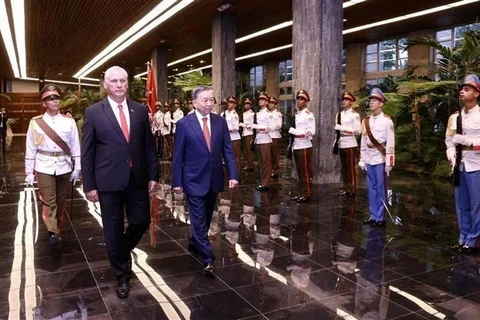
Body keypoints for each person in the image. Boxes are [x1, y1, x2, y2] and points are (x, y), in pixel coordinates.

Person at [81, 66, 159, 299]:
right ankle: (122, 275)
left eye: (122, 80)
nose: (118, 85)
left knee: (142, 220)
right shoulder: (93, 112)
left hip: (137, 179)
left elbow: (148, 146)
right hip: (108, 181)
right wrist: (89, 184)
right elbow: (88, 151)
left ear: (127, 83)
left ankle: (121, 250)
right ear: (105, 84)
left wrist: (154, 174)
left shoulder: (139, 110)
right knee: (112, 229)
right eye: (113, 81)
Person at [172, 85, 238, 276]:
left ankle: (195, 239)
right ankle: (208, 258)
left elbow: (228, 150)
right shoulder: (184, 124)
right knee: (198, 216)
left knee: (208, 215)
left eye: (212, 100)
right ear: (194, 103)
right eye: (205, 100)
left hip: (214, 178)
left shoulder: (220, 122)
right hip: (192, 179)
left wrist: (233, 175)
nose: (210, 104)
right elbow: (178, 156)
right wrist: (177, 181)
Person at [24, 84, 81, 246]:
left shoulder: (68, 122)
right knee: (49, 201)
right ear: (44, 103)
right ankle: (52, 232)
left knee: (60, 199)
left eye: (56, 97)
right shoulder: (36, 123)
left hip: (64, 165)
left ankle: (57, 226)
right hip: (44, 166)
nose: (54, 101)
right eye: (50, 98)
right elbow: (31, 146)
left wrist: (77, 167)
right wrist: (29, 171)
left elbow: (75, 144)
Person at [446, 74, 480, 254]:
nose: (462, 91)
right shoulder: (455, 117)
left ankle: (473, 241)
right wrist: (452, 156)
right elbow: (448, 141)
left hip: (476, 165)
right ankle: (463, 237)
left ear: (476, 93)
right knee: (461, 204)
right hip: (459, 164)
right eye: (461, 89)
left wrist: (466, 141)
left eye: (467, 89)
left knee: (477, 205)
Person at [358, 88, 395, 228]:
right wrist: (362, 158)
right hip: (369, 158)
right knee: (371, 188)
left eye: (374, 101)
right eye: (371, 100)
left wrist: (389, 162)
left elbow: (391, 142)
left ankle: (380, 217)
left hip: (381, 158)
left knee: (380, 188)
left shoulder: (387, 121)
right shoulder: (366, 121)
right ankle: (373, 215)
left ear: (381, 103)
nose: (371, 103)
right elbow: (363, 140)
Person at [288, 89, 315, 203]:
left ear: (306, 102)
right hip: (297, 146)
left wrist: (296, 132)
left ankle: (307, 194)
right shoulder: (297, 115)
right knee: (300, 172)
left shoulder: (308, 115)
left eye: (302, 99)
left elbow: (311, 131)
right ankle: (301, 193)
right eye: (298, 99)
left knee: (305, 172)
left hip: (304, 145)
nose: (299, 101)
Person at [335, 91, 361, 198]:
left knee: (350, 168)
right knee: (344, 168)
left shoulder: (355, 115)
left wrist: (343, 128)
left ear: (351, 102)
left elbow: (358, 131)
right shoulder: (339, 115)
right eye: (343, 100)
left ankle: (352, 190)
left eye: (346, 100)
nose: (344, 102)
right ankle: (346, 188)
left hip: (350, 143)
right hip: (341, 143)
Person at [254, 92, 273, 192]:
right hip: (259, 139)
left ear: (266, 102)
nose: (260, 101)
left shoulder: (268, 114)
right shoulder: (259, 113)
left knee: (266, 163)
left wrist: (257, 127)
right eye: (259, 99)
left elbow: (270, 128)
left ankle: (265, 183)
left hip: (265, 139)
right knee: (261, 163)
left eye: (262, 100)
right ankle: (262, 182)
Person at [221, 96, 241, 174]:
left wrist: (226, 129)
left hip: (234, 138)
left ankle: (236, 173)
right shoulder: (224, 113)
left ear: (235, 105)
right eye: (228, 102)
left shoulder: (234, 115)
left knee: (235, 157)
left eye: (231, 103)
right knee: (227, 156)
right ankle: (229, 172)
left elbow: (236, 127)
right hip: (226, 138)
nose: (229, 104)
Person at [268, 96, 282, 178]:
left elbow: (279, 125)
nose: (270, 104)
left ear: (275, 105)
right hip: (268, 136)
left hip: (275, 136)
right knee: (269, 154)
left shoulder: (278, 114)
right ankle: (270, 169)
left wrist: (271, 127)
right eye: (269, 103)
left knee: (275, 154)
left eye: (272, 103)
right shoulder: (268, 113)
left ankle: (275, 170)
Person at [240, 98, 255, 171]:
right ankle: (248, 163)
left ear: (251, 106)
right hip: (244, 133)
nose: (246, 105)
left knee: (249, 150)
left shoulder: (252, 114)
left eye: (248, 104)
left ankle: (250, 165)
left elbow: (252, 124)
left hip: (250, 133)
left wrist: (244, 125)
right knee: (245, 150)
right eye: (245, 104)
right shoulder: (244, 113)